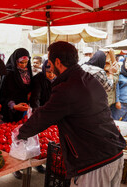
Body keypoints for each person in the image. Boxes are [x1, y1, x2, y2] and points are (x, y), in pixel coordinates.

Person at [18, 41, 125, 187]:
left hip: (94, 162)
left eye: (49, 63)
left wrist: (20, 133)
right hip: (114, 154)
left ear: (57, 62)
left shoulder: (67, 87)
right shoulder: (89, 79)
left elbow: (43, 116)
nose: (49, 67)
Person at [0, 48, 32, 122]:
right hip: (11, 111)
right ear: (15, 61)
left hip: (25, 109)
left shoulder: (28, 72)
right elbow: (4, 95)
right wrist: (14, 106)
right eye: (21, 62)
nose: (24, 65)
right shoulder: (9, 73)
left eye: (26, 62)